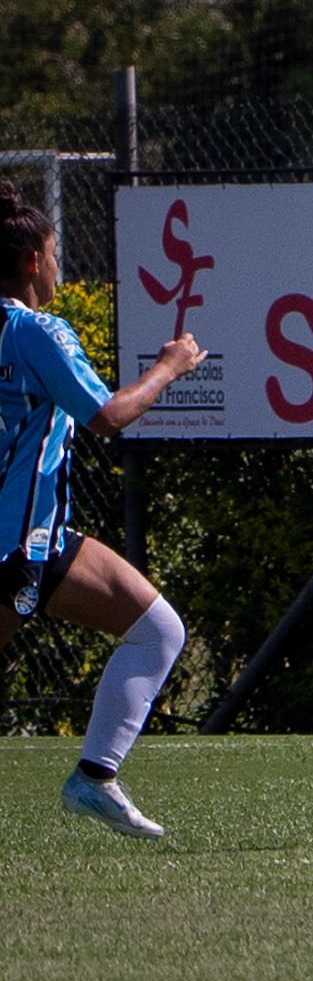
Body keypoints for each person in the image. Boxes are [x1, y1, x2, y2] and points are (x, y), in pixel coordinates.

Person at [0, 180, 207, 838]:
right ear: (33, 260)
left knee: (158, 629)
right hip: (12, 543)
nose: (60, 267)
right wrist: (171, 366)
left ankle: (95, 778)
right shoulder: (34, 332)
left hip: (42, 536)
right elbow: (108, 415)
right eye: (56, 254)